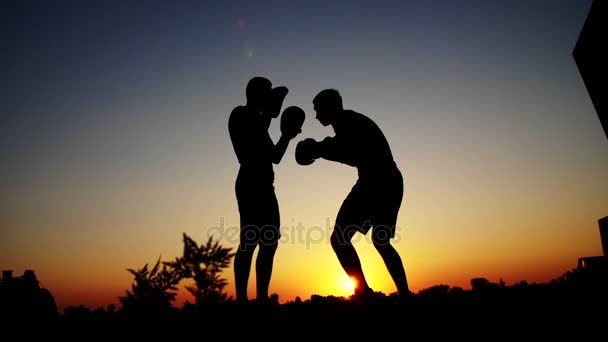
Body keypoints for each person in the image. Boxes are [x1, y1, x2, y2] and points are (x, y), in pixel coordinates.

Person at [296, 88, 410, 298]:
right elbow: (346, 150)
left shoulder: (348, 122)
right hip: (388, 181)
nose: (316, 115)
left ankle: (364, 292)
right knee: (380, 241)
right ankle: (402, 294)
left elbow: (346, 150)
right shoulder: (350, 122)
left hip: (376, 182)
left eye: (318, 110)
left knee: (340, 239)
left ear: (329, 107)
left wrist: (317, 148)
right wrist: (319, 148)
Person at [228, 76, 302, 303]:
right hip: (250, 184)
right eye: (266, 93)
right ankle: (241, 300)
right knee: (249, 243)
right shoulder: (239, 114)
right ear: (254, 93)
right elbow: (251, 138)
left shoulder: (261, 122)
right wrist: (272, 111)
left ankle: (261, 298)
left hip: (266, 187)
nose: (270, 98)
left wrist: (287, 136)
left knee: (269, 244)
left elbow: (276, 157)